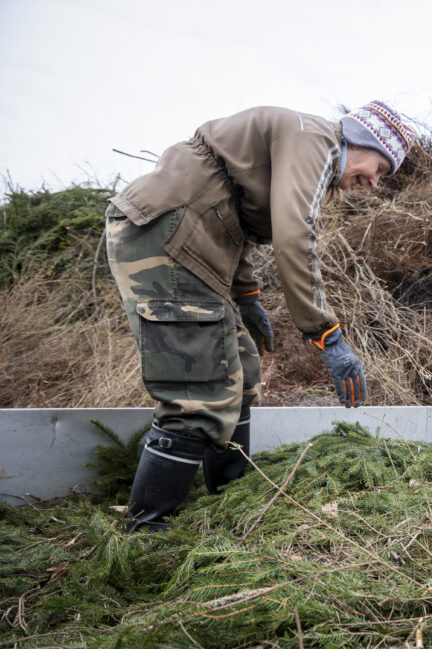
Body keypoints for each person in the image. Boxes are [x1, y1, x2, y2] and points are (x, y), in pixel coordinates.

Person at [105, 102, 415, 532]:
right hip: (167, 236)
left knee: (242, 369)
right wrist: (326, 334)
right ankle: (146, 532)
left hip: (191, 245)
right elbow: (294, 234)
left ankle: (230, 498)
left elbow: (236, 216)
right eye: (379, 166)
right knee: (199, 391)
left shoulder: (306, 145)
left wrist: (247, 294)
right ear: (362, 139)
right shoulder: (317, 139)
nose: (375, 182)